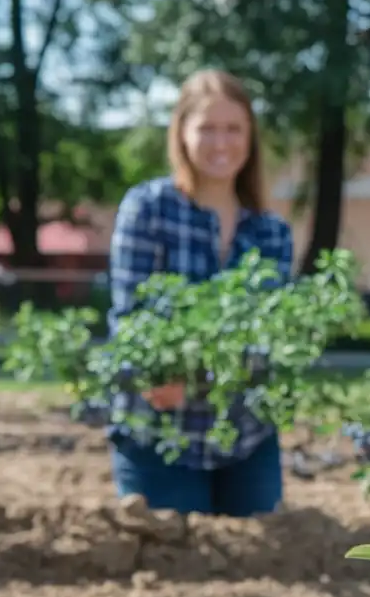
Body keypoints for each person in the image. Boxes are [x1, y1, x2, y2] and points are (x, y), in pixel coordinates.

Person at [105, 68, 293, 517]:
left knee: (256, 564)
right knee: (176, 565)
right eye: (206, 128)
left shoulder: (271, 232)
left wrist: (195, 380)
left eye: (233, 129)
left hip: (246, 435)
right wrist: (156, 374)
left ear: (251, 137)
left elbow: (273, 336)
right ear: (181, 133)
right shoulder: (148, 210)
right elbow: (129, 318)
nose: (221, 143)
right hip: (161, 433)